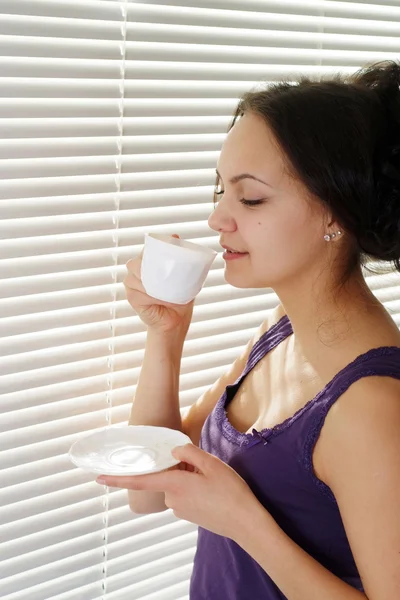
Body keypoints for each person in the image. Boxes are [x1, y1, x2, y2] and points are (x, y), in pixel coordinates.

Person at [96, 60, 400, 599]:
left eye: (250, 197)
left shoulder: (373, 405)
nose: (218, 219)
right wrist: (165, 336)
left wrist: (245, 522)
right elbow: (148, 492)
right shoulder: (281, 332)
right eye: (220, 190)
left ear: (336, 214)